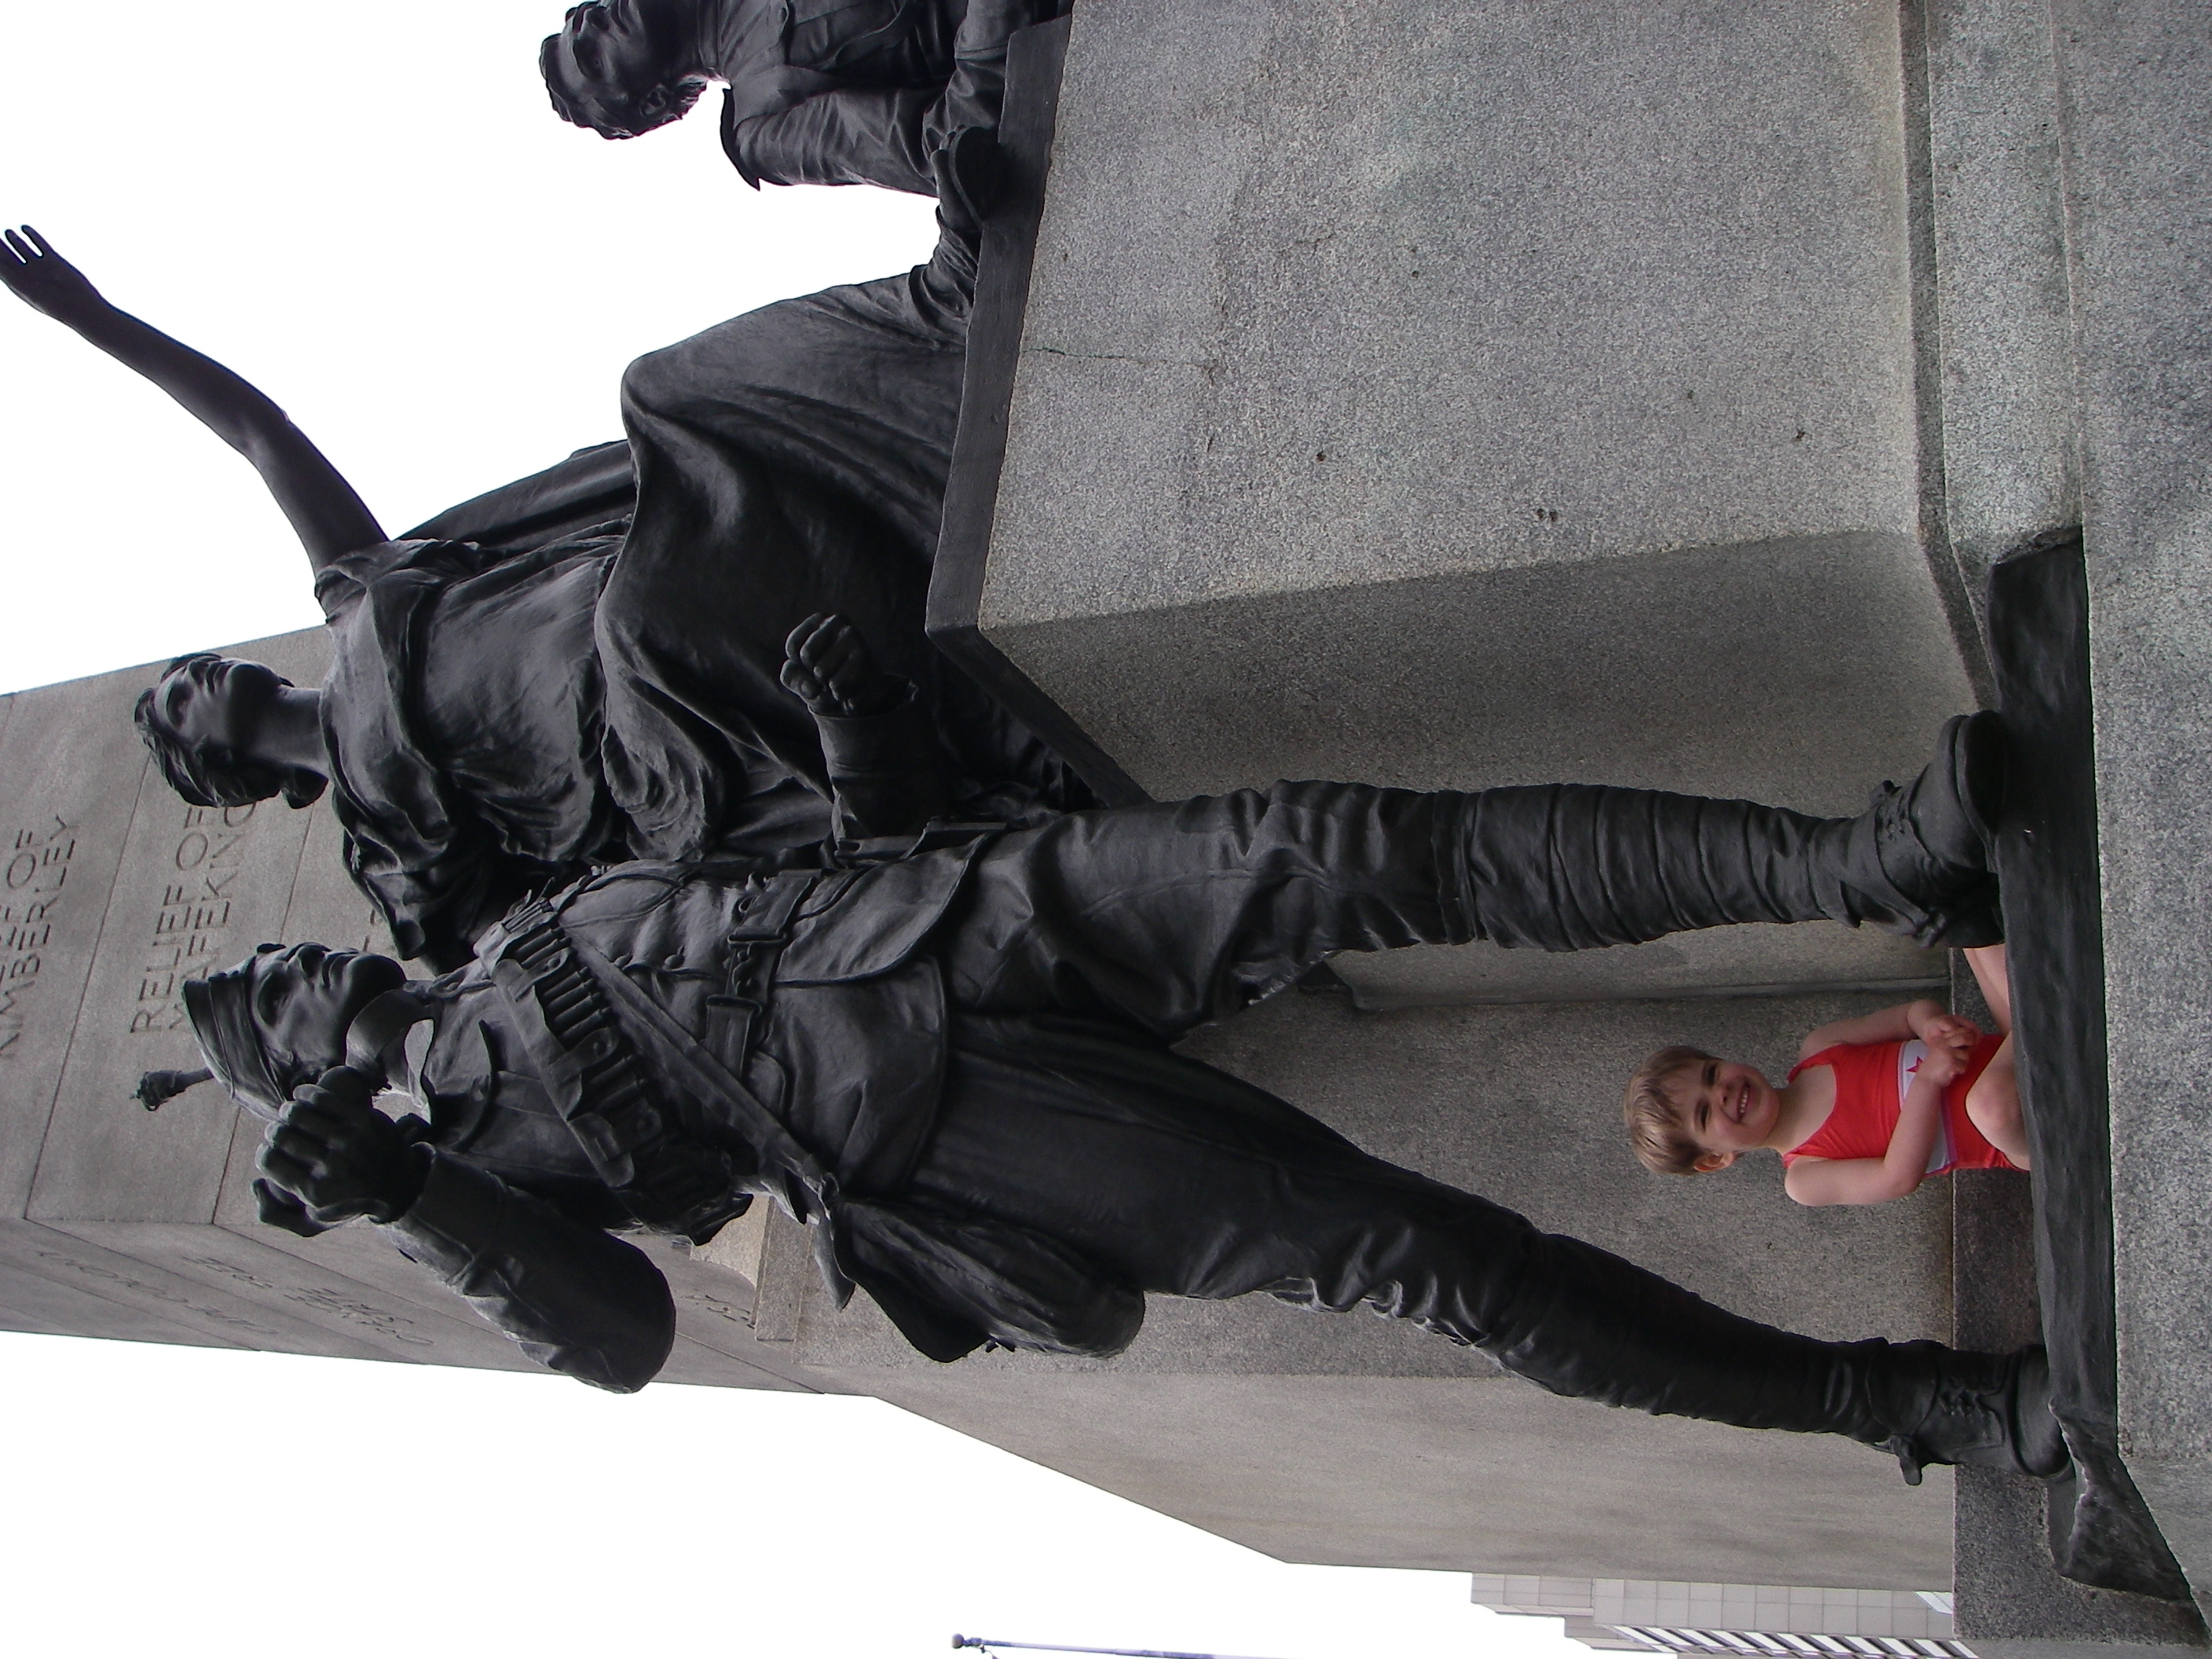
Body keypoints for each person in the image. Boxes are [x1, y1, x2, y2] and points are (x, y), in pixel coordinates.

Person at [180, 690, 2065, 1501]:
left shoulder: (534, 910)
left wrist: (860, 753)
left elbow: (772, 849)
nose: (290, 974)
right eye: (270, 1013)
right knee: (1432, 1258)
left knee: (1353, 845)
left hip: (942, 913)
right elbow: (620, 1334)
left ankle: (1871, 855)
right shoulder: (459, 1159)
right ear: (305, 1077)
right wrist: (407, 1200)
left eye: (272, 954)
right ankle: (1905, 1402)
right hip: (941, 1132)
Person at [0, 159, 1086, 973]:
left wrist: (94, 320)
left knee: (666, 388)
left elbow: (258, 432)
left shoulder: (351, 596)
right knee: (647, 624)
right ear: (233, 774)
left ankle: (942, 305)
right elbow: (531, 949)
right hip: (658, 744)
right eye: (176, 708)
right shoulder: (390, 857)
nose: (189, 679)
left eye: (179, 674)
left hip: (635, 569)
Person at [1622, 944, 2025, 1204]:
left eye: (1711, 1074)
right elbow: (1898, 1178)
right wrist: (1928, 1080)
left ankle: (2039, 1028)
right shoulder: (1805, 1178)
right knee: (1988, 1105)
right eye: (1705, 1113)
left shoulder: (1821, 1048)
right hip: (2018, 1132)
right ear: (1714, 1159)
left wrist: (1933, 1027)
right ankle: (2042, 1025)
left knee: (1974, 938)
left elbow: (1910, 1014)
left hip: (2010, 1057)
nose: (1721, 1092)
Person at [541, 0, 1068, 193]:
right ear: (655, 102)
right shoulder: (764, 125)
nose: (592, 21)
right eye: (592, 56)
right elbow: (947, 144)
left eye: (581, 16)